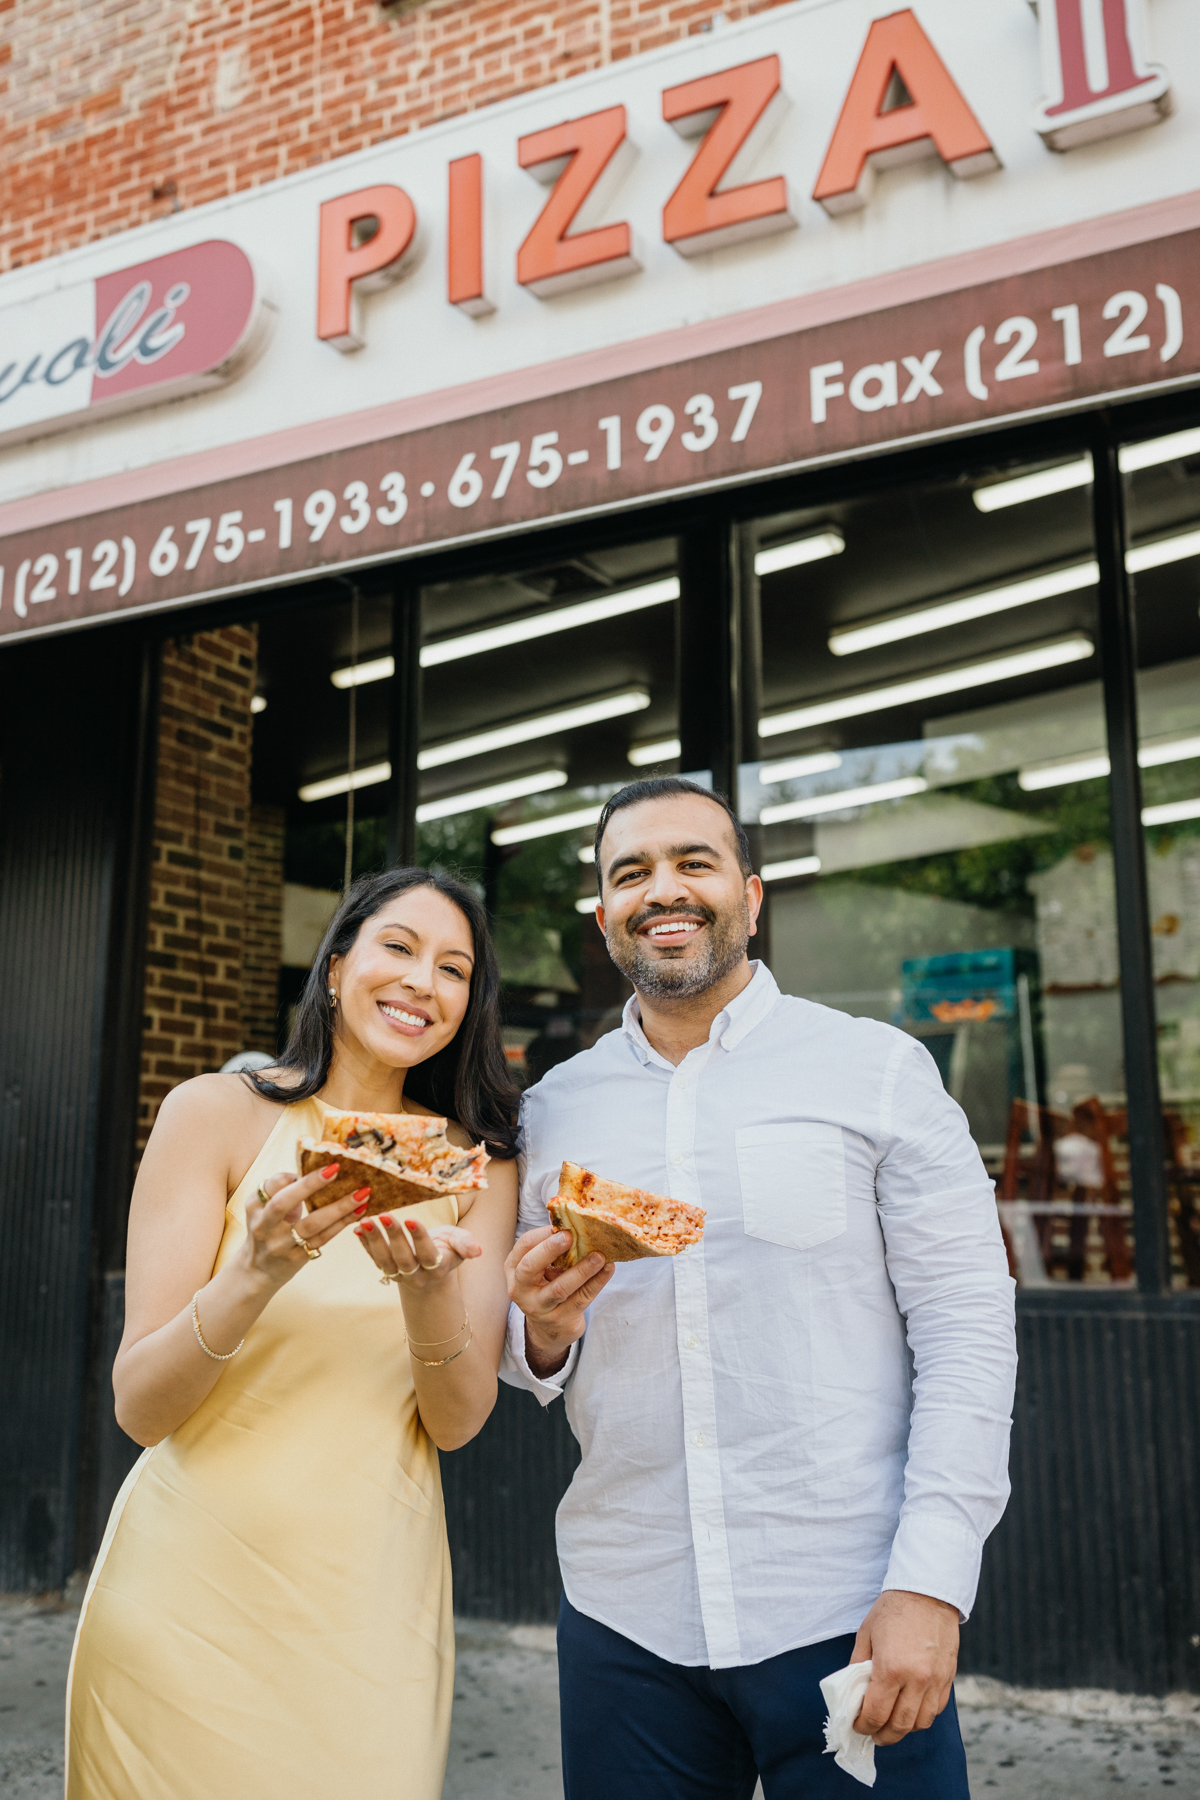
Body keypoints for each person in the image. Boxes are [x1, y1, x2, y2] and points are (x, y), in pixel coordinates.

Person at [504, 777, 1018, 1800]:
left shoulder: (875, 1069)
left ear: (751, 890)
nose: (664, 890)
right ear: (604, 913)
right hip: (625, 1613)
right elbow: (532, 1360)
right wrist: (544, 1334)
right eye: (629, 873)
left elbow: (967, 1328)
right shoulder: (553, 1113)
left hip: (845, 1603)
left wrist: (931, 1584)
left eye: (694, 862)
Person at [67, 868, 519, 1800]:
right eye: (398, 947)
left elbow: (461, 1421)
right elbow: (140, 1408)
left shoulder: (474, 1162)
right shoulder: (215, 1114)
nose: (421, 983)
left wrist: (429, 1293)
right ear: (339, 959)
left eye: (454, 968)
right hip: (183, 1598)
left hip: (372, 1612)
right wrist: (259, 1269)